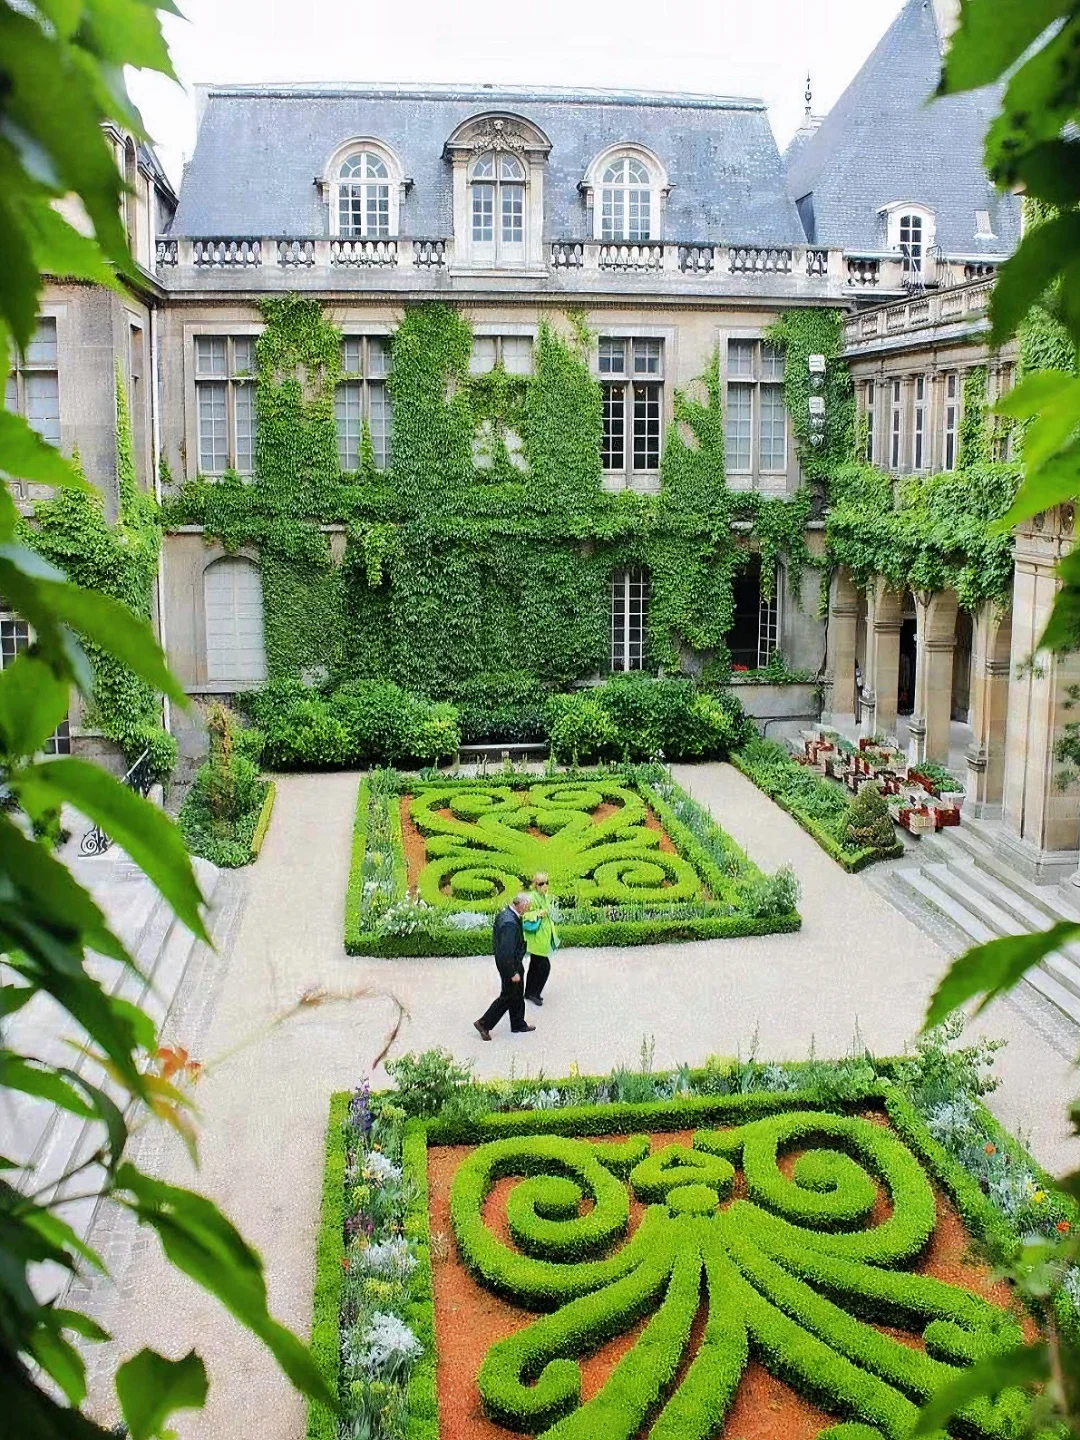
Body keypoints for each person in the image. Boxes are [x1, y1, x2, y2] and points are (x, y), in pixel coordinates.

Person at [474, 892, 536, 1041]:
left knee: (517, 993)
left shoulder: (506, 914)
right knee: (508, 996)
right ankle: (484, 1023)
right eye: (528, 906)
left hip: (511, 963)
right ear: (522, 905)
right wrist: (513, 972)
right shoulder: (510, 923)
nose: (528, 909)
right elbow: (506, 952)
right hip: (510, 965)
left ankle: (518, 1023)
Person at [523, 871, 558, 1006]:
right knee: (544, 967)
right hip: (536, 938)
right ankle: (535, 993)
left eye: (546, 882)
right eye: (541, 883)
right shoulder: (531, 898)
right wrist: (538, 913)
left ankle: (529, 992)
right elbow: (524, 915)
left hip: (542, 936)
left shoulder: (545, 896)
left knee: (535, 966)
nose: (545, 886)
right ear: (535, 885)